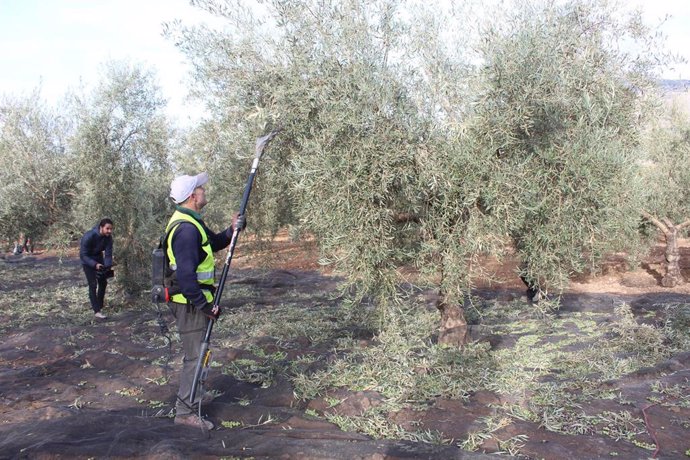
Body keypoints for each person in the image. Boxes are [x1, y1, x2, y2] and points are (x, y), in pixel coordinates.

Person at [165, 171, 243, 430]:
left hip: (193, 302)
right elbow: (187, 278)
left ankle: (192, 398)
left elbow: (215, 242)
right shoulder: (186, 230)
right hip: (189, 304)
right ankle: (185, 411)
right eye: (201, 189)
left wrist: (231, 230)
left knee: (200, 353)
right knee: (195, 356)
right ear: (192, 196)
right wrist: (205, 306)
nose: (204, 191)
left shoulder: (192, 222)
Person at [80, 218, 114, 319]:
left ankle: (99, 305)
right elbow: (83, 255)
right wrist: (95, 265)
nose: (109, 231)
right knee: (93, 284)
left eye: (111, 229)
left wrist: (108, 266)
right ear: (101, 227)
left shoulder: (108, 238)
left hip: (98, 259)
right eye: (107, 228)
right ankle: (97, 311)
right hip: (87, 261)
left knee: (103, 282)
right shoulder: (89, 236)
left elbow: (108, 254)